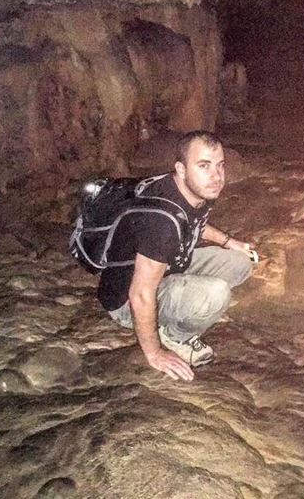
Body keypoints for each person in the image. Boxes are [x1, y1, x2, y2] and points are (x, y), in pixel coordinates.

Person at [98, 130, 254, 381]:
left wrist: (230, 242)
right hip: (125, 301)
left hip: (168, 265)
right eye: (204, 166)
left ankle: (186, 304)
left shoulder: (192, 188)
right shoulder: (161, 222)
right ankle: (175, 335)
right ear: (181, 169)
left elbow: (195, 223)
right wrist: (155, 352)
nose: (216, 176)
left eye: (220, 165)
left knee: (241, 263)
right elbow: (140, 294)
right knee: (216, 293)